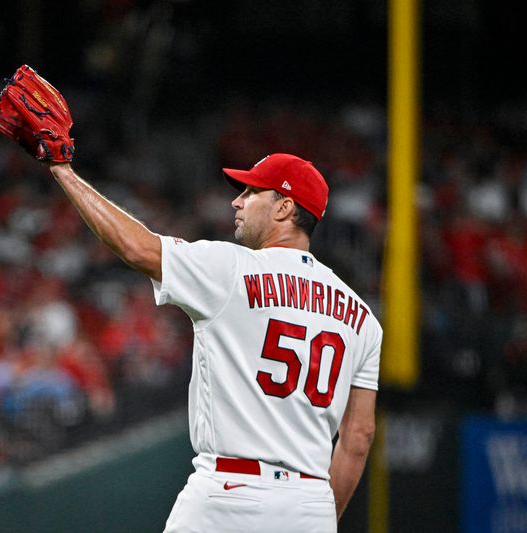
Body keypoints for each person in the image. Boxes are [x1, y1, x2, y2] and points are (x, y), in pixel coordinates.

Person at [44, 152, 381, 532]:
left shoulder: (231, 269)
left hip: (229, 493)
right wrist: (316, 517)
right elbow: (358, 437)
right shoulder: (363, 318)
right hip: (310, 503)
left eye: (251, 192)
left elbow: (137, 248)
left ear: (285, 208)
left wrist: (63, 172)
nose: (237, 201)